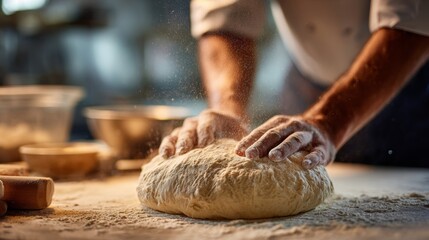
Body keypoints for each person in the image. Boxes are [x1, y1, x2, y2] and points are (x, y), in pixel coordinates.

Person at [159, 0, 429, 168]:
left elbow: (411, 19)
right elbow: (227, 19)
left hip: (411, 89)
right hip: (307, 87)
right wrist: (228, 108)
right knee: (296, 166)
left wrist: (327, 120)